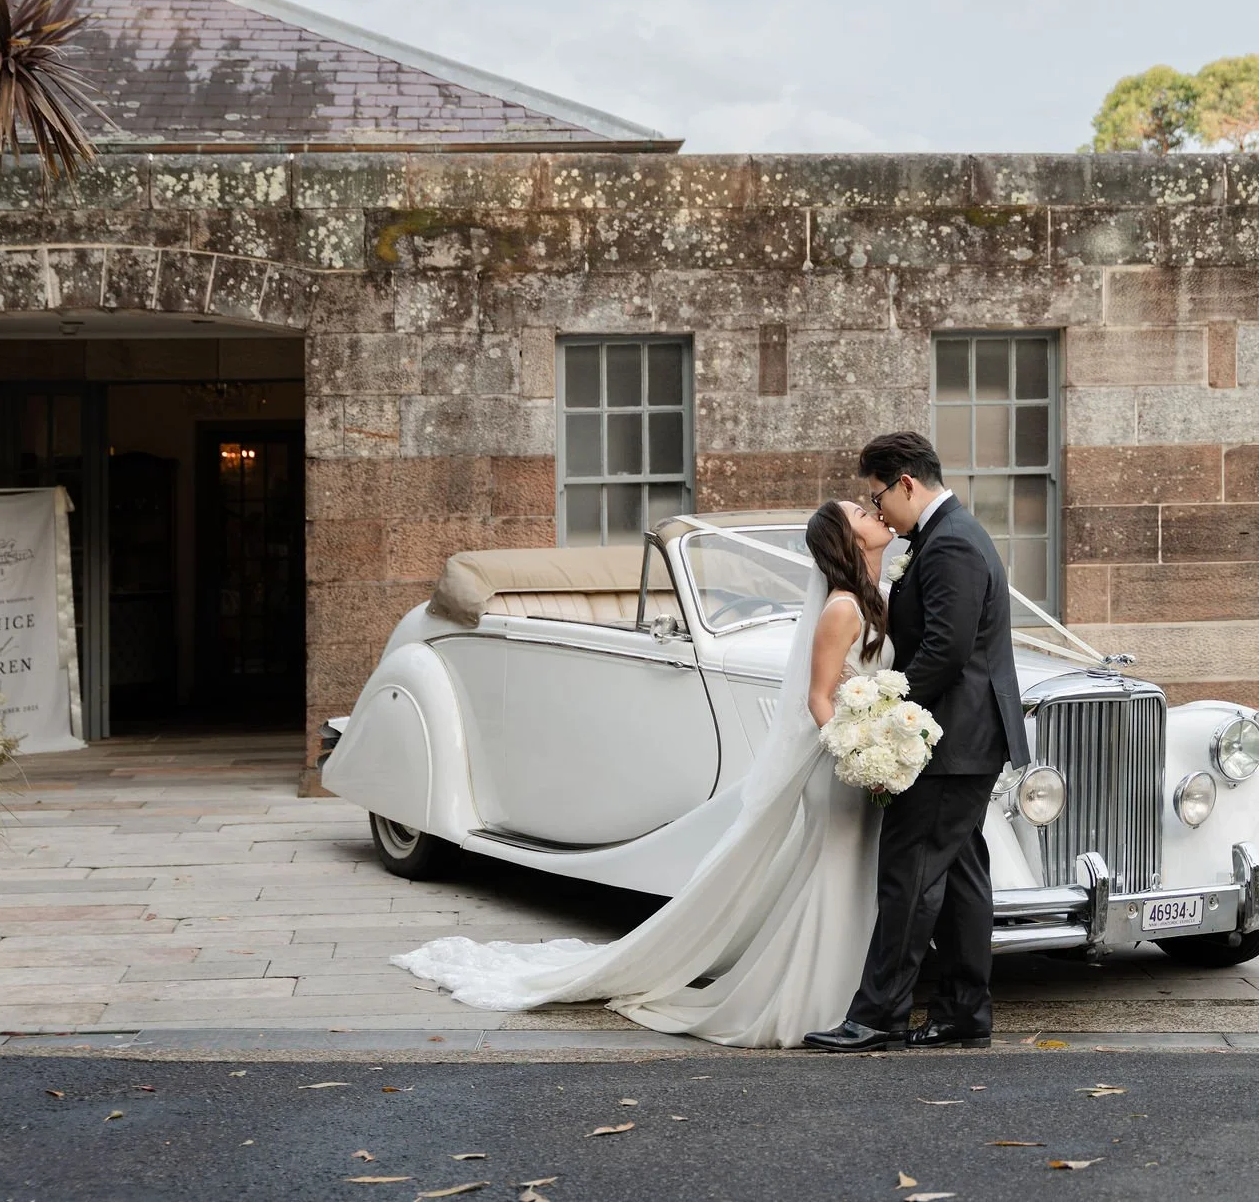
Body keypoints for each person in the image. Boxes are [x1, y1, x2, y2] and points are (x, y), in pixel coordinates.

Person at [391, 500, 896, 1048]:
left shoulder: (876, 599)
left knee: (853, 877)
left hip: (863, 759)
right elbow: (818, 697)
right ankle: (815, 1002)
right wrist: (857, 752)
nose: (875, 515)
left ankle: (852, 996)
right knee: (836, 875)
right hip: (840, 763)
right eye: (861, 515)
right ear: (847, 541)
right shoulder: (841, 609)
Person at [804, 431, 1026, 1052]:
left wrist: (887, 720)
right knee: (959, 876)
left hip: (948, 741)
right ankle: (962, 1013)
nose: (877, 512)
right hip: (962, 739)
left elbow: (946, 652)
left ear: (906, 483)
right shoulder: (943, 536)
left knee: (907, 876)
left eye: (878, 497)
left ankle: (880, 1015)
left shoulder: (950, 542)